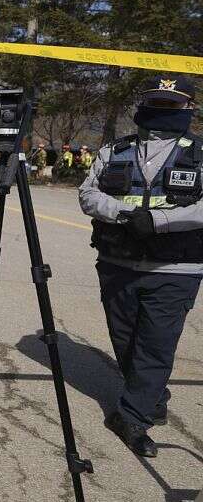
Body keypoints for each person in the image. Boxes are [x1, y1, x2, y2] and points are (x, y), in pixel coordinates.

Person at [79, 76, 203, 459]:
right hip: (118, 263)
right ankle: (151, 392)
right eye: (156, 103)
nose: (162, 110)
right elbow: (88, 194)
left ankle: (132, 417)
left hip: (176, 268)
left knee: (156, 344)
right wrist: (126, 213)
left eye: (171, 104)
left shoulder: (200, 153)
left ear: (188, 109)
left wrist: (160, 221)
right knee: (126, 340)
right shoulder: (115, 149)